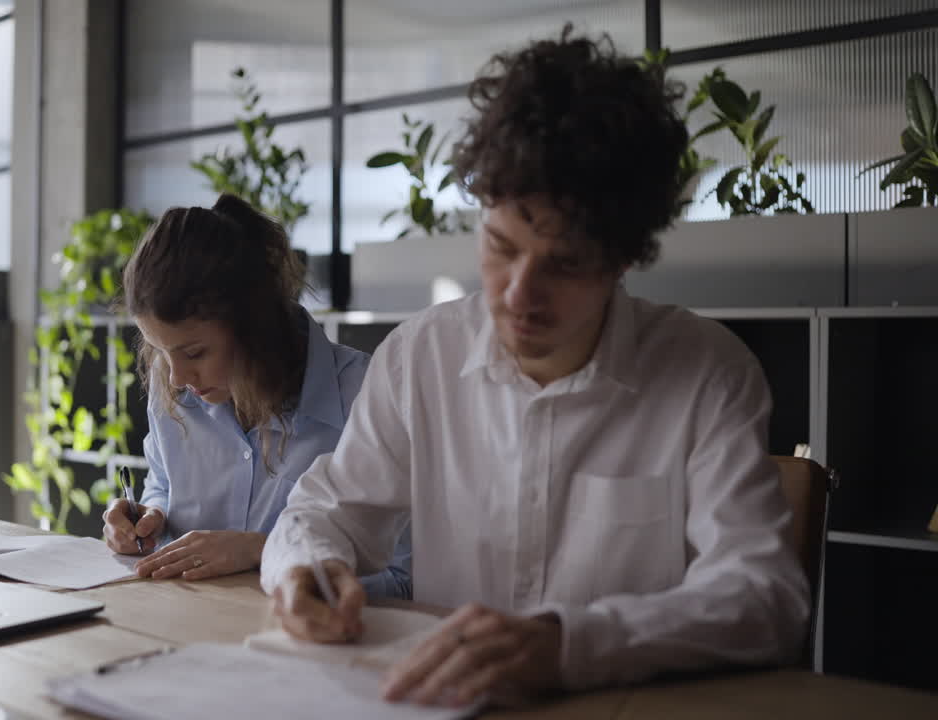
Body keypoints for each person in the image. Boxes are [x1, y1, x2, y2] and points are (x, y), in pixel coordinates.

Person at [261, 27, 810, 705]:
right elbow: (325, 510)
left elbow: (765, 597)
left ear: (624, 258)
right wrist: (302, 571)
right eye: (499, 246)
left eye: (565, 264)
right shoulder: (420, 356)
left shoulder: (706, 373)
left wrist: (570, 643)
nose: (519, 295)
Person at [102, 192, 411, 599]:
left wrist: (263, 551)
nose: (177, 377)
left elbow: (407, 580)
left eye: (194, 352)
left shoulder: (366, 397)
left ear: (255, 325)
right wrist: (150, 517)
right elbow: (162, 485)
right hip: (181, 632)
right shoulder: (175, 389)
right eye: (160, 351)